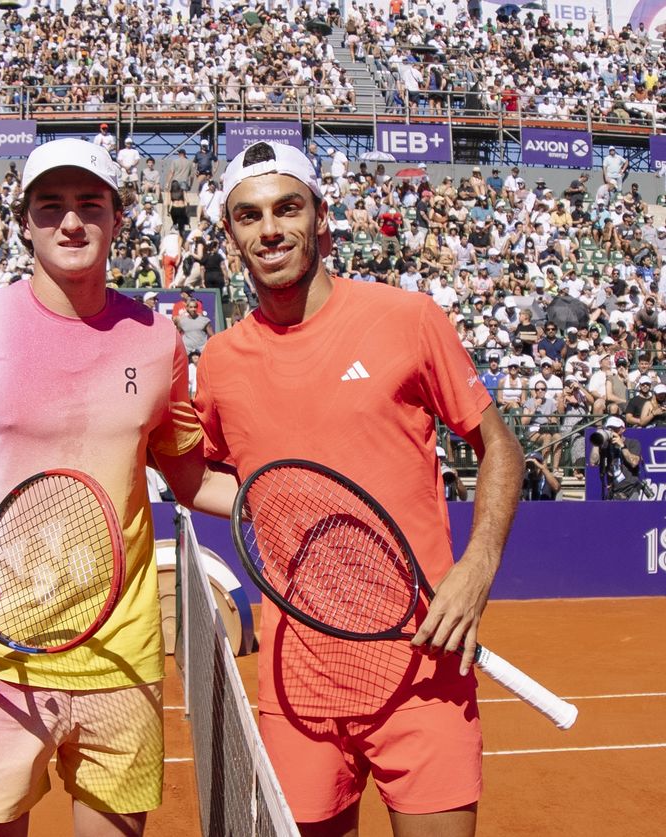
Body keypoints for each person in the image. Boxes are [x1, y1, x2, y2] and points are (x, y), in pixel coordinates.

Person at [0, 138, 235, 837]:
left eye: (90, 205)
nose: (71, 222)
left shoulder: (157, 340)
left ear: (118, 219)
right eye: (51, 207)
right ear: (25, 224)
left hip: (119, 653)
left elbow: (189, 478)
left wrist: (281, 504)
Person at [192, 141, 523, 837]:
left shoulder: (408, 318)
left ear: (321, 217)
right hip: (297, 686)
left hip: (424, 670)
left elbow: (500, 446)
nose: (270, 229)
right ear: (231, 236)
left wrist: (477, 568)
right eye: (249, 216)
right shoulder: (219, 361)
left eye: (288, 207)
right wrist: (267, 504)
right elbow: (210, 478)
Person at [589, 415, 644, 500]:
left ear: (622, 429)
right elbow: (593, 461)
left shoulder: (632, 443)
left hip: (630, 489)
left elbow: (634, 462)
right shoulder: (605, 445)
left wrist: (622, 446)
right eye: (609, 428)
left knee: (632, 512)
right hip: (612, 491)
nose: (612, 431)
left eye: (615, 428)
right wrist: (597, 442)